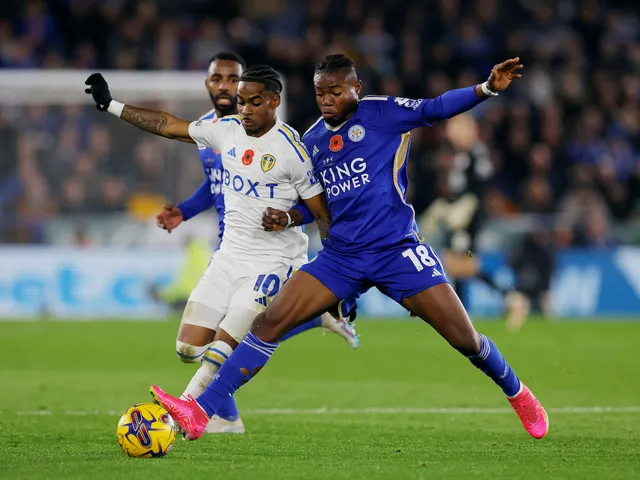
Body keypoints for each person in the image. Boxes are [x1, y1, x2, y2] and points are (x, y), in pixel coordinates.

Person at [148, 53, 550, 442]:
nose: (326, 100)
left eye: (336, 92)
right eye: (320, 93)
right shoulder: (312, 141)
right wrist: (288, 218)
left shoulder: (382, 113)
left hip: (396, 250)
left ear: (356, 87)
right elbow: (314, 205)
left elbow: (436, 107)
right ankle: (199, 413)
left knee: (464, 339)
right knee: (268, 323)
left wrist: (486, 88)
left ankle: (518, 393)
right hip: (341, 257)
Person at [85, 62, 358, 435]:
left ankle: (174, 419)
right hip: (228, 257)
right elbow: (168, 125)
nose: (245, 109)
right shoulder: (227, 130)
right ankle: (308, 323)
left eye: (254, 102)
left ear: (275, 102)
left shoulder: (292, 150)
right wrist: (111, 105)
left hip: (272, 263)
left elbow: (321, 212)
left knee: (222, 348)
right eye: (242, 101)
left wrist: (293, 225)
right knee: (188, 350)